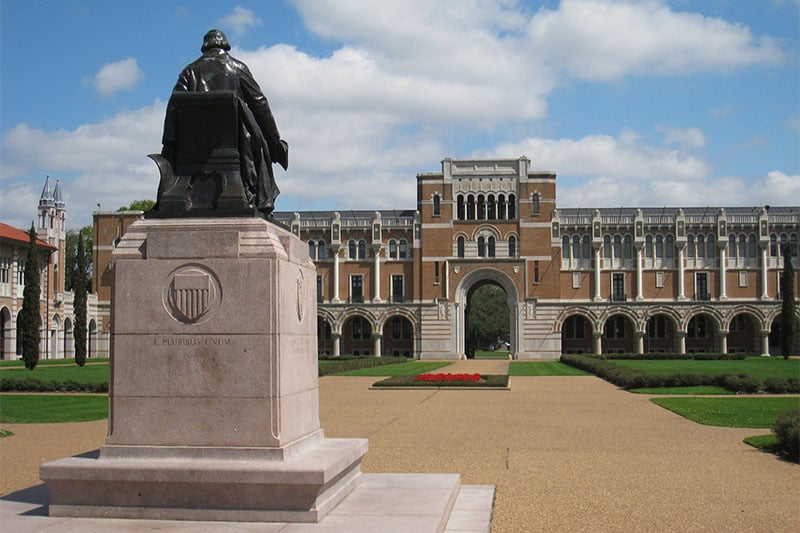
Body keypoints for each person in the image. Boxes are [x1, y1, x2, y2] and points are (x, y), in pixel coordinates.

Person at [158, 29, 288, 215]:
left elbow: (173, 108)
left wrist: (169, 142)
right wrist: (274, 139)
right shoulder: (237, 68)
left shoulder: (188, 71)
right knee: (258, 142)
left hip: (192, 148)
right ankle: (259, 196)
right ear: (225, 46)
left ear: (205, 47)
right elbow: (260, 104)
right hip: (234, 145)